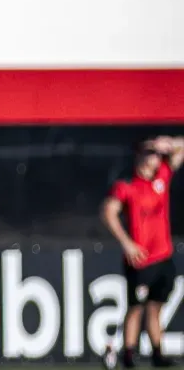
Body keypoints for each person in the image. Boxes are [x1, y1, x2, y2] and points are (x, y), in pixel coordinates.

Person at [102, 135, 184, 368]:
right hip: (140, 259)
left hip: (163, 256)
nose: (155, 158)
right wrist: (126, 243)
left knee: (155, 306)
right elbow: (107, 211)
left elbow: (182, 148)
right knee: (135, 307)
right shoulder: (127, 185)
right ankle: (128, 353)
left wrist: (167, 143)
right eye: (150, 153)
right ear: (139, 155)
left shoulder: (162, 177)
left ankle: (157, 352)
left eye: (157, 154)